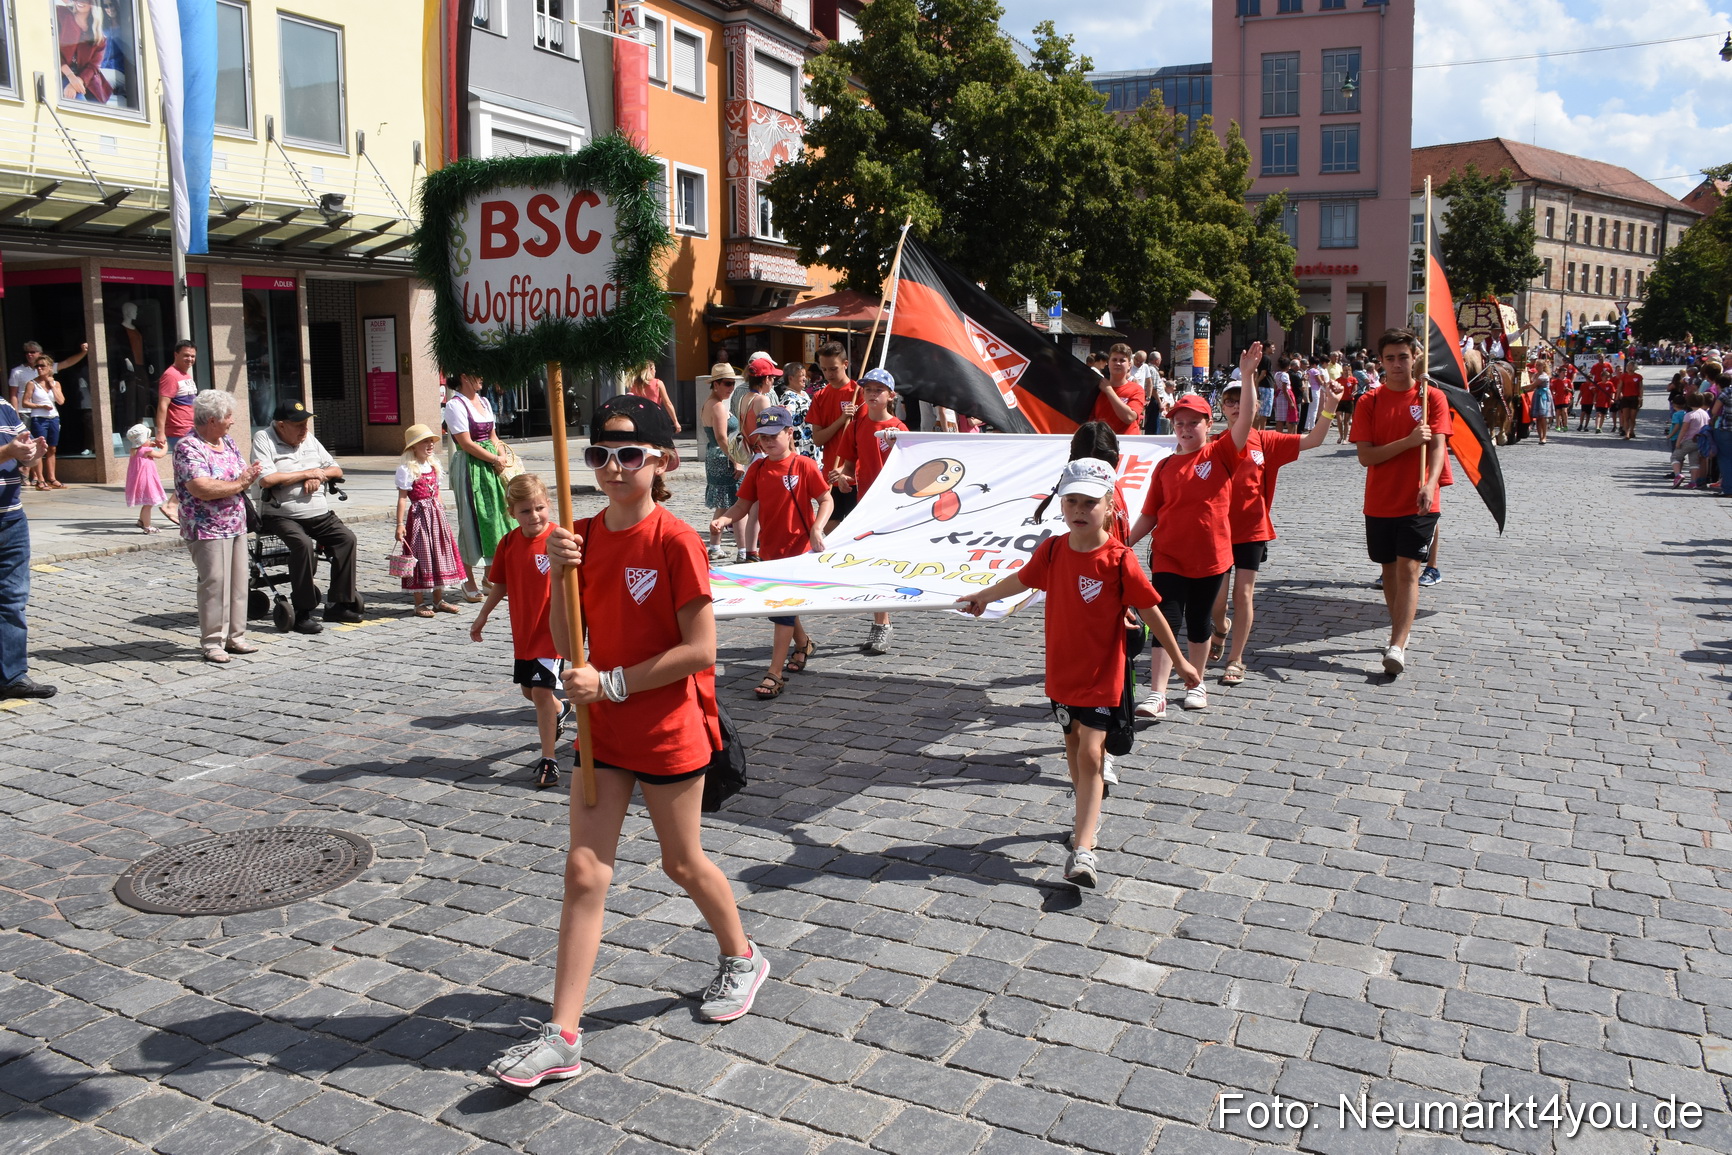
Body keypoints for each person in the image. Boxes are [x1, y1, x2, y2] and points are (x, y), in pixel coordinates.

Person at [483, 396, 765, 1089]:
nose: (613, 467)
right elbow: (559, 633)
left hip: (668, 730)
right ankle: (563, 1034)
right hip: (602, 735)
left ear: (662, 462)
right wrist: (558, 570)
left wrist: (610, 683)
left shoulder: (676, 540)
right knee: (585, 871)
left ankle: (741, 955)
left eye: (629, 454)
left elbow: (701, 649)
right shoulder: (579, 534)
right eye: (600, 455)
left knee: (681, 861)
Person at [959, 458, 1200, 889]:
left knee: (1091, 752)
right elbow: (1021, 580)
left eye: (1090, 502)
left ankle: (1084, 848)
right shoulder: (1052, 549)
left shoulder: (1119, 558)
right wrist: (984, 596)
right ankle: (1085, 813)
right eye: (1071, 500)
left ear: (1109, 506)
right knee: (1073, 749)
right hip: (1061, 675)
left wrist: (1180, 660)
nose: (1079, 509)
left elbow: (1150, 609)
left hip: (1102, 676)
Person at [1126, 343, 1260, 717]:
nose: (1185, 429)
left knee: (1200, 623)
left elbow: (1246, 418)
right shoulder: (1165, 466)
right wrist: (1122, 545)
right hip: (1168, 556)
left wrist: (1247, 376)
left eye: (1193, 422)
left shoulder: (1220, 454)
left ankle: (1196, 683)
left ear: (1209, 424)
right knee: (1166, 620)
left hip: (1212, 558)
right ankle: (1157, 692)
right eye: (1179, 423)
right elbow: (1150, 514)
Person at [1209, 373, 1345, 686]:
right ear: (1222, 407)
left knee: (1243, 594)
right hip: (1218, 531)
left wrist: (1329, 408)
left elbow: (1313, 441)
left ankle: (1236, 659)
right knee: (1217, 602)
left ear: (1256, 405)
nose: (1234, 405)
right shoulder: (1213, 443)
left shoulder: (1266, 440)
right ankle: (1220, 627)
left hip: (1252, 530)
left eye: (1240, 399)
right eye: (1229, 400)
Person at [1350, 329, 1452, 677]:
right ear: (1381, 361)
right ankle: (1398, 631)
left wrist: (1430, 482)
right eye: (1390, 358)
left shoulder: (1430, 398)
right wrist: (1408, 442)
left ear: (1414, 358)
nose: (1396, 364)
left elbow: (1438, 445)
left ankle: (1397, 643)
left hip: (1421, 497)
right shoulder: (1369, 402)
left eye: (1403, 357)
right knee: (1389, 571)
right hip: (1380, 500)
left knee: (1409, 568)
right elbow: (1366, 457)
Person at [710, 406, 831, 699]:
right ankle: (803, 644)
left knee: (782, 611)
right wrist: (725, 519)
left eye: (772, 436)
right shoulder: (759, 468)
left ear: (790, 433)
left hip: (798, 552)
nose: (766, 442)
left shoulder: (804, 466)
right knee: (783, 608)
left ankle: (774, 673)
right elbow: (742, 505)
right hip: (770, 551)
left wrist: (817, 528)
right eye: (761, 437)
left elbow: (826, 499)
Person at [470, 474, 571, 791]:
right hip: (524, 632)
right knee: (531, 693)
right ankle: (560, 708)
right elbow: (500, 584)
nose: (535, 516)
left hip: (553, 632)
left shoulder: (561, 538)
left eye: (540, 507)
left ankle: (549, 760)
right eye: (526, 511)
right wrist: (482, 616)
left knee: (541, 693)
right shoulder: (509, 543)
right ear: (511, 512)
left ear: (549, 505)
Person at [252, 399, 363, 634]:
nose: (305, 429)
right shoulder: (264, 438)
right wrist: (305, 474)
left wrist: (319, 475)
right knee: (302, 545)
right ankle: (303, 611)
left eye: (306, 424)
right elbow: (267, 480)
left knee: (346, 539)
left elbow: (336, 469)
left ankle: (338, 603)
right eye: (298, 425)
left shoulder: (308, 439)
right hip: (280, 513)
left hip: (318, 512)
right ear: (281, 425)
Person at [175, 391, 265, 663]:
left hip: (235, 523)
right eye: (228, 416)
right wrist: (240, 484)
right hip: (206, 527)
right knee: (214, 583)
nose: (232, 421)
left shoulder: (226, 441)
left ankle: (235, 637)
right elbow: (201, 487)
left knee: (238, 582)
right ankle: (213, 641)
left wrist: (245, 478)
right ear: (211, 420)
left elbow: (242, 471)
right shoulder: (188, 446)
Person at [828, 368, 906, 655]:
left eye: (878, 390)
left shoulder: (899, 429)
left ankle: (883, 622)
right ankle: (881, 622)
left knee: (884, 563)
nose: (872, 394)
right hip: (865, 505)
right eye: (868, 389)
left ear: (890, 395)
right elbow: (849, 466)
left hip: (893, 507)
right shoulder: (858, 424)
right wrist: (845, 480)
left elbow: (911, 472)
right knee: (874, 563)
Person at [0, 396, 52, 699]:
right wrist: (9, 450)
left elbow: (24, 456)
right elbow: (9, 451)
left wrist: (33, 455)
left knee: (12, 598)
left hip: (11, 519)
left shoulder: (5, 407)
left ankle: (12, 675)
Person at [445, 372, 514, 600]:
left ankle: (488, 577)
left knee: (496, 518)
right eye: (478, 373)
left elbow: (493, 435)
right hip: (471, 467)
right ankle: (468, 581)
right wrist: (494, 459)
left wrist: (501, 453)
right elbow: (466, 443)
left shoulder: (484, 400)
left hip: (492, 465)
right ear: (465, 377)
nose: (483, 377)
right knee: (472, 520)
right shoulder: (455, 405)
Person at [395, 424, 467, 617]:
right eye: (424, 442)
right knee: (419, 555)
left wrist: (442, 513)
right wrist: (400, 524)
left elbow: (438, 493)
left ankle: (438, 599)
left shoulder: (434, 466)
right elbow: (403, 497)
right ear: (413, 447)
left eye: (430, 441)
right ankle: (419, 603)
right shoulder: (407, 469)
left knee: (438, 554)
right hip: (419, 516)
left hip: (436, 516)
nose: (429, 445)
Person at [805, 341, 861, 531]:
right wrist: (841, 419)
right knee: (830, 525)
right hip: (831, 472)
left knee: (856, 527)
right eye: (824, 369)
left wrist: (847, 467)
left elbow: (863, 438)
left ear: (845, 364)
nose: (829, 374)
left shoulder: (859, 393)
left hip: (856, 474)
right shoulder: (820, 396)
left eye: (833, 369)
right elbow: (818, 438)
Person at [701, 366, 743, 561]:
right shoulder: (716, 406)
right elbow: (721, 437)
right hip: (721, 456)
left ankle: (715, 545)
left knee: (725, 503)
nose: (731, 387)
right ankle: (743, 548)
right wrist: (736, 461)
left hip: (717, 455)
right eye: (727, 383)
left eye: (733, 383)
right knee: (734, 501)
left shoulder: (712, 403)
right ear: (715, 384)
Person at [155, 341, 199, 524]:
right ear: (176, 355)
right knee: (191, 472)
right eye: (186, 355)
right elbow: (162, 405)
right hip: (179, 430)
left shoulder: (184, 375)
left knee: (195, 471)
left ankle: (184, 508)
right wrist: (160, 432)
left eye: (193, 356)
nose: (190, 359)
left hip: (191, 427)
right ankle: (171, 505)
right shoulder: (170, 376)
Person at [19, 356, 66, 490]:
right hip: (39, 418)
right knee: (40, 449)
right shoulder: (32, 383)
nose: (39, 368)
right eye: (37, 366)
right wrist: (40, 407)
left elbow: (61, 401)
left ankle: (52, 478)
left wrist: (52, 385)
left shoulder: (55, 384)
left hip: (54, 417)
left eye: (42, 366)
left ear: (50, 368)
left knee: (52, 448)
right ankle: (40, 479)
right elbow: (25, 402)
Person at [1091, 343, 1146, 437]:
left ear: (1129, 365)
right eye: (1114, 360)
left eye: (1122, 360)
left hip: (1127, 445)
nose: (1117, 363)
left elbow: (1129, 417)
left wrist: (1109, 391)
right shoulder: (1098, 387)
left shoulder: (1137, 389)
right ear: (1108, 363)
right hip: (1103, 443)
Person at [123, 422, 168, 533]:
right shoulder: (145, 451)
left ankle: (141, 521)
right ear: (142, 440)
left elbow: (144, 449)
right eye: (148, 437)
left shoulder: (135, 451)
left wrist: (149, 444)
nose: (150, 439)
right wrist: (165, 445)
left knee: (146, 502)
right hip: (147, 480)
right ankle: (147, 526)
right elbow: (161, 454)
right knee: (149, 504)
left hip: (140, 480)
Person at [627, 361, 681, 434]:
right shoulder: (658, 383)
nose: (655, 371)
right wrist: (675, 422)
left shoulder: (634, 384)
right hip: (654, 416)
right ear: (651, 369)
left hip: (638, 417)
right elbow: (668, 404)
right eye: (654, 369)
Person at [1674, 394, 1710, 489]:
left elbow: (1684, 430)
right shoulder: (1705, 414)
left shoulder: (1689, 415)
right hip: (1700, 441)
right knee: (1694, 462)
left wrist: (1678, 441)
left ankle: (1678, 474)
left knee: (1675, 457)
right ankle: (1693, 481)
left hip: (1689, 440)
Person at [1615, 363, 1644, 439]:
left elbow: (1640, 388)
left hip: (1634, 398)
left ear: (1634, 367)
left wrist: (1641, 398)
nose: (1629, 367)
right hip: (1625, 398)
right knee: (1626, 417)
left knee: (1632, 417)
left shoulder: (1638, 377)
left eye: (1631, 366)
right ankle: (1627, 433)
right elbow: (1620, 387)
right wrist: (1617, 397)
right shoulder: (1624, 376)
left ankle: (1632, 430)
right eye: (1628, 366)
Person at [1531, 361, 1554, 445]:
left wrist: (1524, 388)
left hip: (1543, 396)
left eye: (1539, 365)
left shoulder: (1544, 376)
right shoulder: (1535, 375)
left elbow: (1533, 385)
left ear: (1543, 366)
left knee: (1543, 417)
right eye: (1536, 365)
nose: (1537, 367)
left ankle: (1544, 436)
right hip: (1537, 395)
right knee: (1537, 417)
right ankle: (1540, 436)